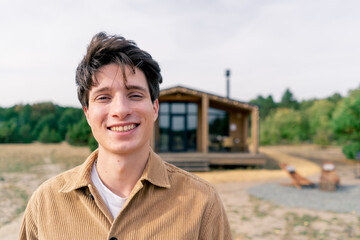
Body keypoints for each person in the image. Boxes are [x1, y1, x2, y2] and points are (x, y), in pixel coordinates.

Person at [19, 32, 232, 239]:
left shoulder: (203, 202)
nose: (120, 110)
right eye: (103, 97)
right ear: (87, 113)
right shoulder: (45, 203)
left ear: (155, 108)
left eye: (135, 95)